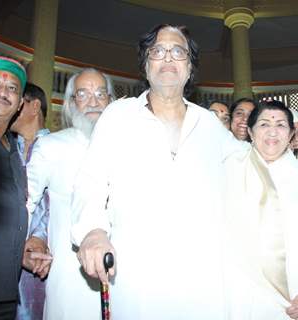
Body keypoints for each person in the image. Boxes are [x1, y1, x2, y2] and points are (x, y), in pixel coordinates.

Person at [71, 24, 245, 319]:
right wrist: (93, 231)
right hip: (138, 276)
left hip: (206, 277)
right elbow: (91, 180)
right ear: (146, 65)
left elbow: (252, 162)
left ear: (190, 68)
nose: (167, 58)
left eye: (178, 51)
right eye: (158, 51)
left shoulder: (210, 125)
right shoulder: (118, 116)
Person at [224, 101, 298, 320]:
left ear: (291, 134)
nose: (272, 130)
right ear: (250, 133)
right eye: (263, 124)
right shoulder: (229, 167)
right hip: (241, 293)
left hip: (297, 292)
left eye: (280, 124)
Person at [26, 68, 115, 319]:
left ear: (110, 101)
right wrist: (24, 245)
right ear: (71, 102)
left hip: (125, 280)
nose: (93, 101)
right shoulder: (52, 146)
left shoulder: (127, 149)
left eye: (101, 93)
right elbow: (25, 202)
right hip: (71, 280)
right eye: (83, 94)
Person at [0, 56, 29, 319]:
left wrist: (23, 251)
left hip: (3, 294)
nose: (3, 92)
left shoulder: (14, 148)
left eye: (12, 88)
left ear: (20, 104)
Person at [10, 82, 50, 320]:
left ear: (34, 106)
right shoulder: (4, 148)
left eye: (18, 98)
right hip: (3, 258)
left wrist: (39, 237)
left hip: (42, 262)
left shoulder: (60, 148)